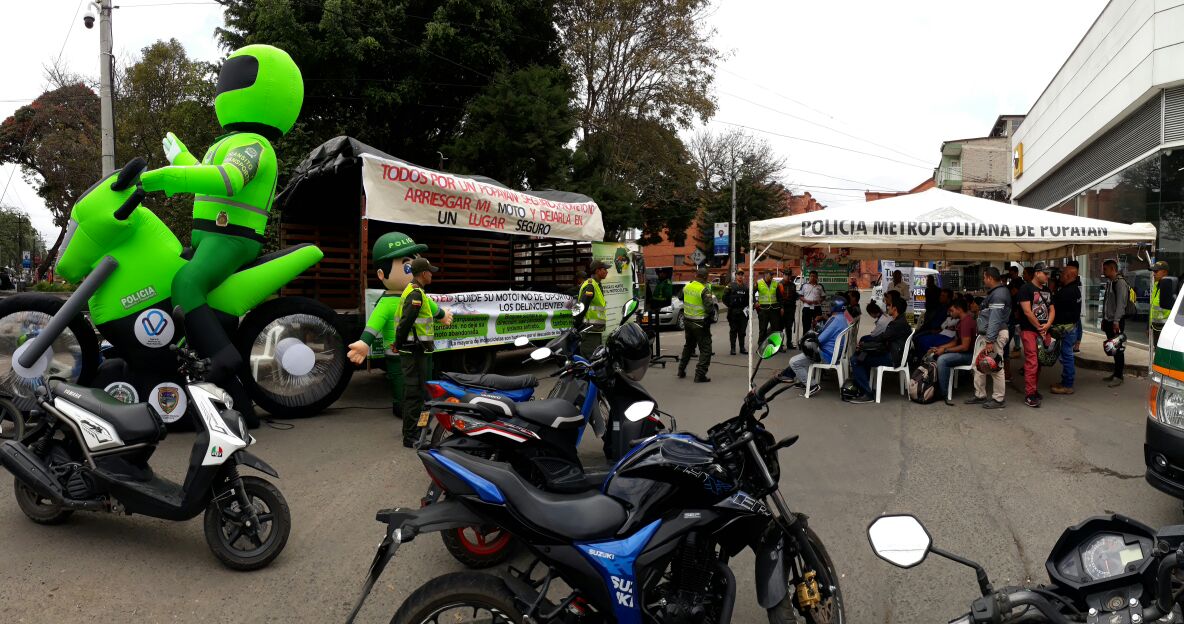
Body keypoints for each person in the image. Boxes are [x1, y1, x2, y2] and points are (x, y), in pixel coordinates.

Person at [138, 44, 302, 391]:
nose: (226, 86)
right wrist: (182, 159)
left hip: (232, 238)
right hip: (211, 238)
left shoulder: (255, 145)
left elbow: (229, 179)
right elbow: (205, 174)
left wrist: (170, 176)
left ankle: (222, 359)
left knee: (186, 283)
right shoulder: (228, 143)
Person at [346, 232, 429, 418]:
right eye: (408, 267)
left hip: (419, 348)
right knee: (400, 380)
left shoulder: (419, 294)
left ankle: (417, 405)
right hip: (396, 352)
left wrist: (443, 314)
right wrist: (364, 342)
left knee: (418, 379)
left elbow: (433, 308)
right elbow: (374, 324)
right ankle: (401, 406)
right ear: (382, 274)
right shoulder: (385, 303)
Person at [395, 258, 454, 448]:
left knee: (421, 393)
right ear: (423, 274)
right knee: (414, 394)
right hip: (414, 351)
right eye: (430, 271)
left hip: (417, 350)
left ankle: (418, 429)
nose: (432, 274)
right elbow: (405, 322)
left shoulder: (416, 291)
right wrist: (398, 343)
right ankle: (411, 436)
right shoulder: (416, 295)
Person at [845, 290, 911, 404]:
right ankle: (863, 387)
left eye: (889, 306)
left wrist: (864, 346)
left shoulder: (897, 324)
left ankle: (867, 393)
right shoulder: (900, 321)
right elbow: (882, 339)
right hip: (893, 353)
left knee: (856, 360)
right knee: (862, 356)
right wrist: (865, 347)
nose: (887, 307)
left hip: (892, 357)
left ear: (895, 308)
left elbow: (881, 338)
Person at [775, 296, 849, 394]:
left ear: (835, 306)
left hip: (826, 355)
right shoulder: (842, 317)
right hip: (833, 352)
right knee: (805, 354)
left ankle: (812, 385)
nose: (829, 306)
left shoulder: (835, 320)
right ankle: (802, 380)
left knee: (794, 361)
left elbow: (819, 340)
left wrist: (809, 337)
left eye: (831, 305)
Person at [966, 267, 1011, 410]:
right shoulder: (996, 292)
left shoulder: (999, 294)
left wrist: (990, 341)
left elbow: (995, 319)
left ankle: (998, 399)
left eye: (984, 278)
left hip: (994, 335)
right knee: (978, 364)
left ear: (990, 278)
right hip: (988, 335)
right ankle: (980, 395)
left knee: (995, 367)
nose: (984, 280)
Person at [1018, 263, 1055, 408]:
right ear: (1037, 273)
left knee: (1039, 361)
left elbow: (1052, 309)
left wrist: (1047, 325)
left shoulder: (1047, 290)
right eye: (1045, 273)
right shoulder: (1025, 289)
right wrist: (1040, 327)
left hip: (1043, 330)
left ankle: (1033, 390)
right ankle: (1029, 394)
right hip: (1029, 330)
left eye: (1048, 274)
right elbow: (1027, 311)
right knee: (1032, 361)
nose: (1047, 276)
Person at [928, 299, 976, 406]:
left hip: (969, 355)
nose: (950, 313)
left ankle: (943, 393)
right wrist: (940, 348)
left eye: (952, 310)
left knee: (942, 360)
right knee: (934, 355)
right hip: (965, 353)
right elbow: (956, 342)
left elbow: (964, 347)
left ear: (959, 309)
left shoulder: (966, 322)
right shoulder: (962, 321)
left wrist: (945, 350)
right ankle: (933, 387)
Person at [678, 267, 716, 382]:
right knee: (706, 349)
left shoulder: (687, 286)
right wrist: (711, 316)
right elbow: (709, 308)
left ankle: (681, 369)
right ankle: (700, 374)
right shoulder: (703, 289)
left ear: (696, 275)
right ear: (705, 277)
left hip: (687, 322)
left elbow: (680, 297)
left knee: (689, 346)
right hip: (700, 324)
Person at [1050, 263, 1082, 395]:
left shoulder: (1067, 292)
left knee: (1067, 356)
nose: (1060, 276)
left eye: (1062, 274)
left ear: (1068, 275)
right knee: (1066, 355)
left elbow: (1053, 306)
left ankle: (1068, 385)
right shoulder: (1074, 289)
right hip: (1071, 328)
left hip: (1066, 330)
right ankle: (1065, 382)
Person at [1101, 259, 1131, 387]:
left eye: (1105, 269)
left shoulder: (1120, 283)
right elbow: (1107, 303)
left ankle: (1119, 376)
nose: (1103, 271)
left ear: (1113, 269)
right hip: (1109, 321)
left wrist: (1116, 321)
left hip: (1116, 322)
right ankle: (1116, 373)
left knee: (1118, 349)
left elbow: (1121, 305)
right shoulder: (1110, 282)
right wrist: (1104, 319)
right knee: (1113, 348)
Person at [575, 260, 609, 359]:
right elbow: (581, 305)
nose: (607, 271)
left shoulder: (597, 285)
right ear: (597, 271)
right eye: (604, 269)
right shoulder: (590, 286)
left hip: (595, 330)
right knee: (589, 358)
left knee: (596, 358)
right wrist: (576, 325)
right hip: (589, 330)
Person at [724, 271, 750, 355]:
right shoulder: (730, 286)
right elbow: (724, 298)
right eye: (739, 274)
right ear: (735, 276)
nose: (740, 276)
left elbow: (749, 299)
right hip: (733, 312)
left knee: (742, 331)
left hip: (743, 312)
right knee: (733, 330)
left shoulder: (746, 287)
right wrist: (730, 305)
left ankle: (742, 348)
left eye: (742, 275)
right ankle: (733, 348)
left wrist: (748, 309)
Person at [1151, 260, 1172, 354]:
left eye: (1156, 271)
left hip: (1165, 328)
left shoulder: (1170, 287)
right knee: (1157, 353)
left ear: (1165, 272)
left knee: (1164, 354)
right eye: (1153, 271)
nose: (1154, 274)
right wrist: (1149, 326)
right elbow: (1153, 307)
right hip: (1155, 327)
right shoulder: (1156, 285)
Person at [755, 270, 781, 344]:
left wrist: (781, 307)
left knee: (775, 328)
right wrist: (755, 302)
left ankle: (775, 344)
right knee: (763, 329)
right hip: (763, 309)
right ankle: (761, 344)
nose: (772, 276)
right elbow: (751, 293)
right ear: (766, 274)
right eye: (770, 275)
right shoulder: (759, 283)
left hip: (774, 309)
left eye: (772, 275)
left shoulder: (775, 283)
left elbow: (779, 296)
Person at [778, 270, 798, 349]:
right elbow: (778, 297)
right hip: (782, 308)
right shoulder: (779, 284)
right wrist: (781, 307)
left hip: (790, 308)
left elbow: (794, 295)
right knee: (780, 327)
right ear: (783, 275)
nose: (787, 276)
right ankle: (779, 344)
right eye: (786, 275)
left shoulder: (793, 285)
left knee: (789, 327)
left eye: (789, 275)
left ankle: (789, 343)